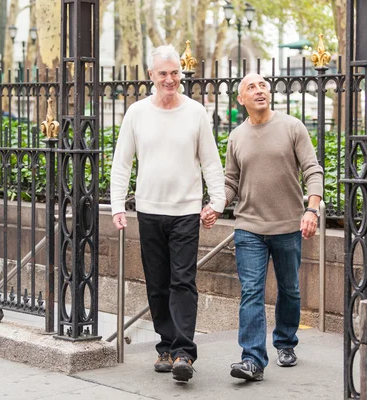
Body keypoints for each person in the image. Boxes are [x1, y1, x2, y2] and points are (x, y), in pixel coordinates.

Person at [110, 44, 226, 382]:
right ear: (151, 75)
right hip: (148, 210)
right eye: (163, 73)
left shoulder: (195, 112)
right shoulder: (136, 113)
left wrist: (216, 202)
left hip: (186, 212)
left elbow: (210, 161)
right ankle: (165, 345)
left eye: (175, 73)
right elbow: (122, 163)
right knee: (157, 283)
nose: (170, 79)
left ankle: (184, 354)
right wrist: (118, 205)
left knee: (183, 282)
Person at [222, 73, 323, 381]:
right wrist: (214, 204)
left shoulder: (293, 127)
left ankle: (285, 342)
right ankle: (252, 359)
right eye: (251, 87)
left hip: (288, 224)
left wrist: (312, 209)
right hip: (249, 226)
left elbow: (312, 169)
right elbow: (230, 182)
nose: (259, 90)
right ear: (241, 100)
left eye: (263, 85)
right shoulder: (236, 137)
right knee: (251, 292)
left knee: (289, 290)